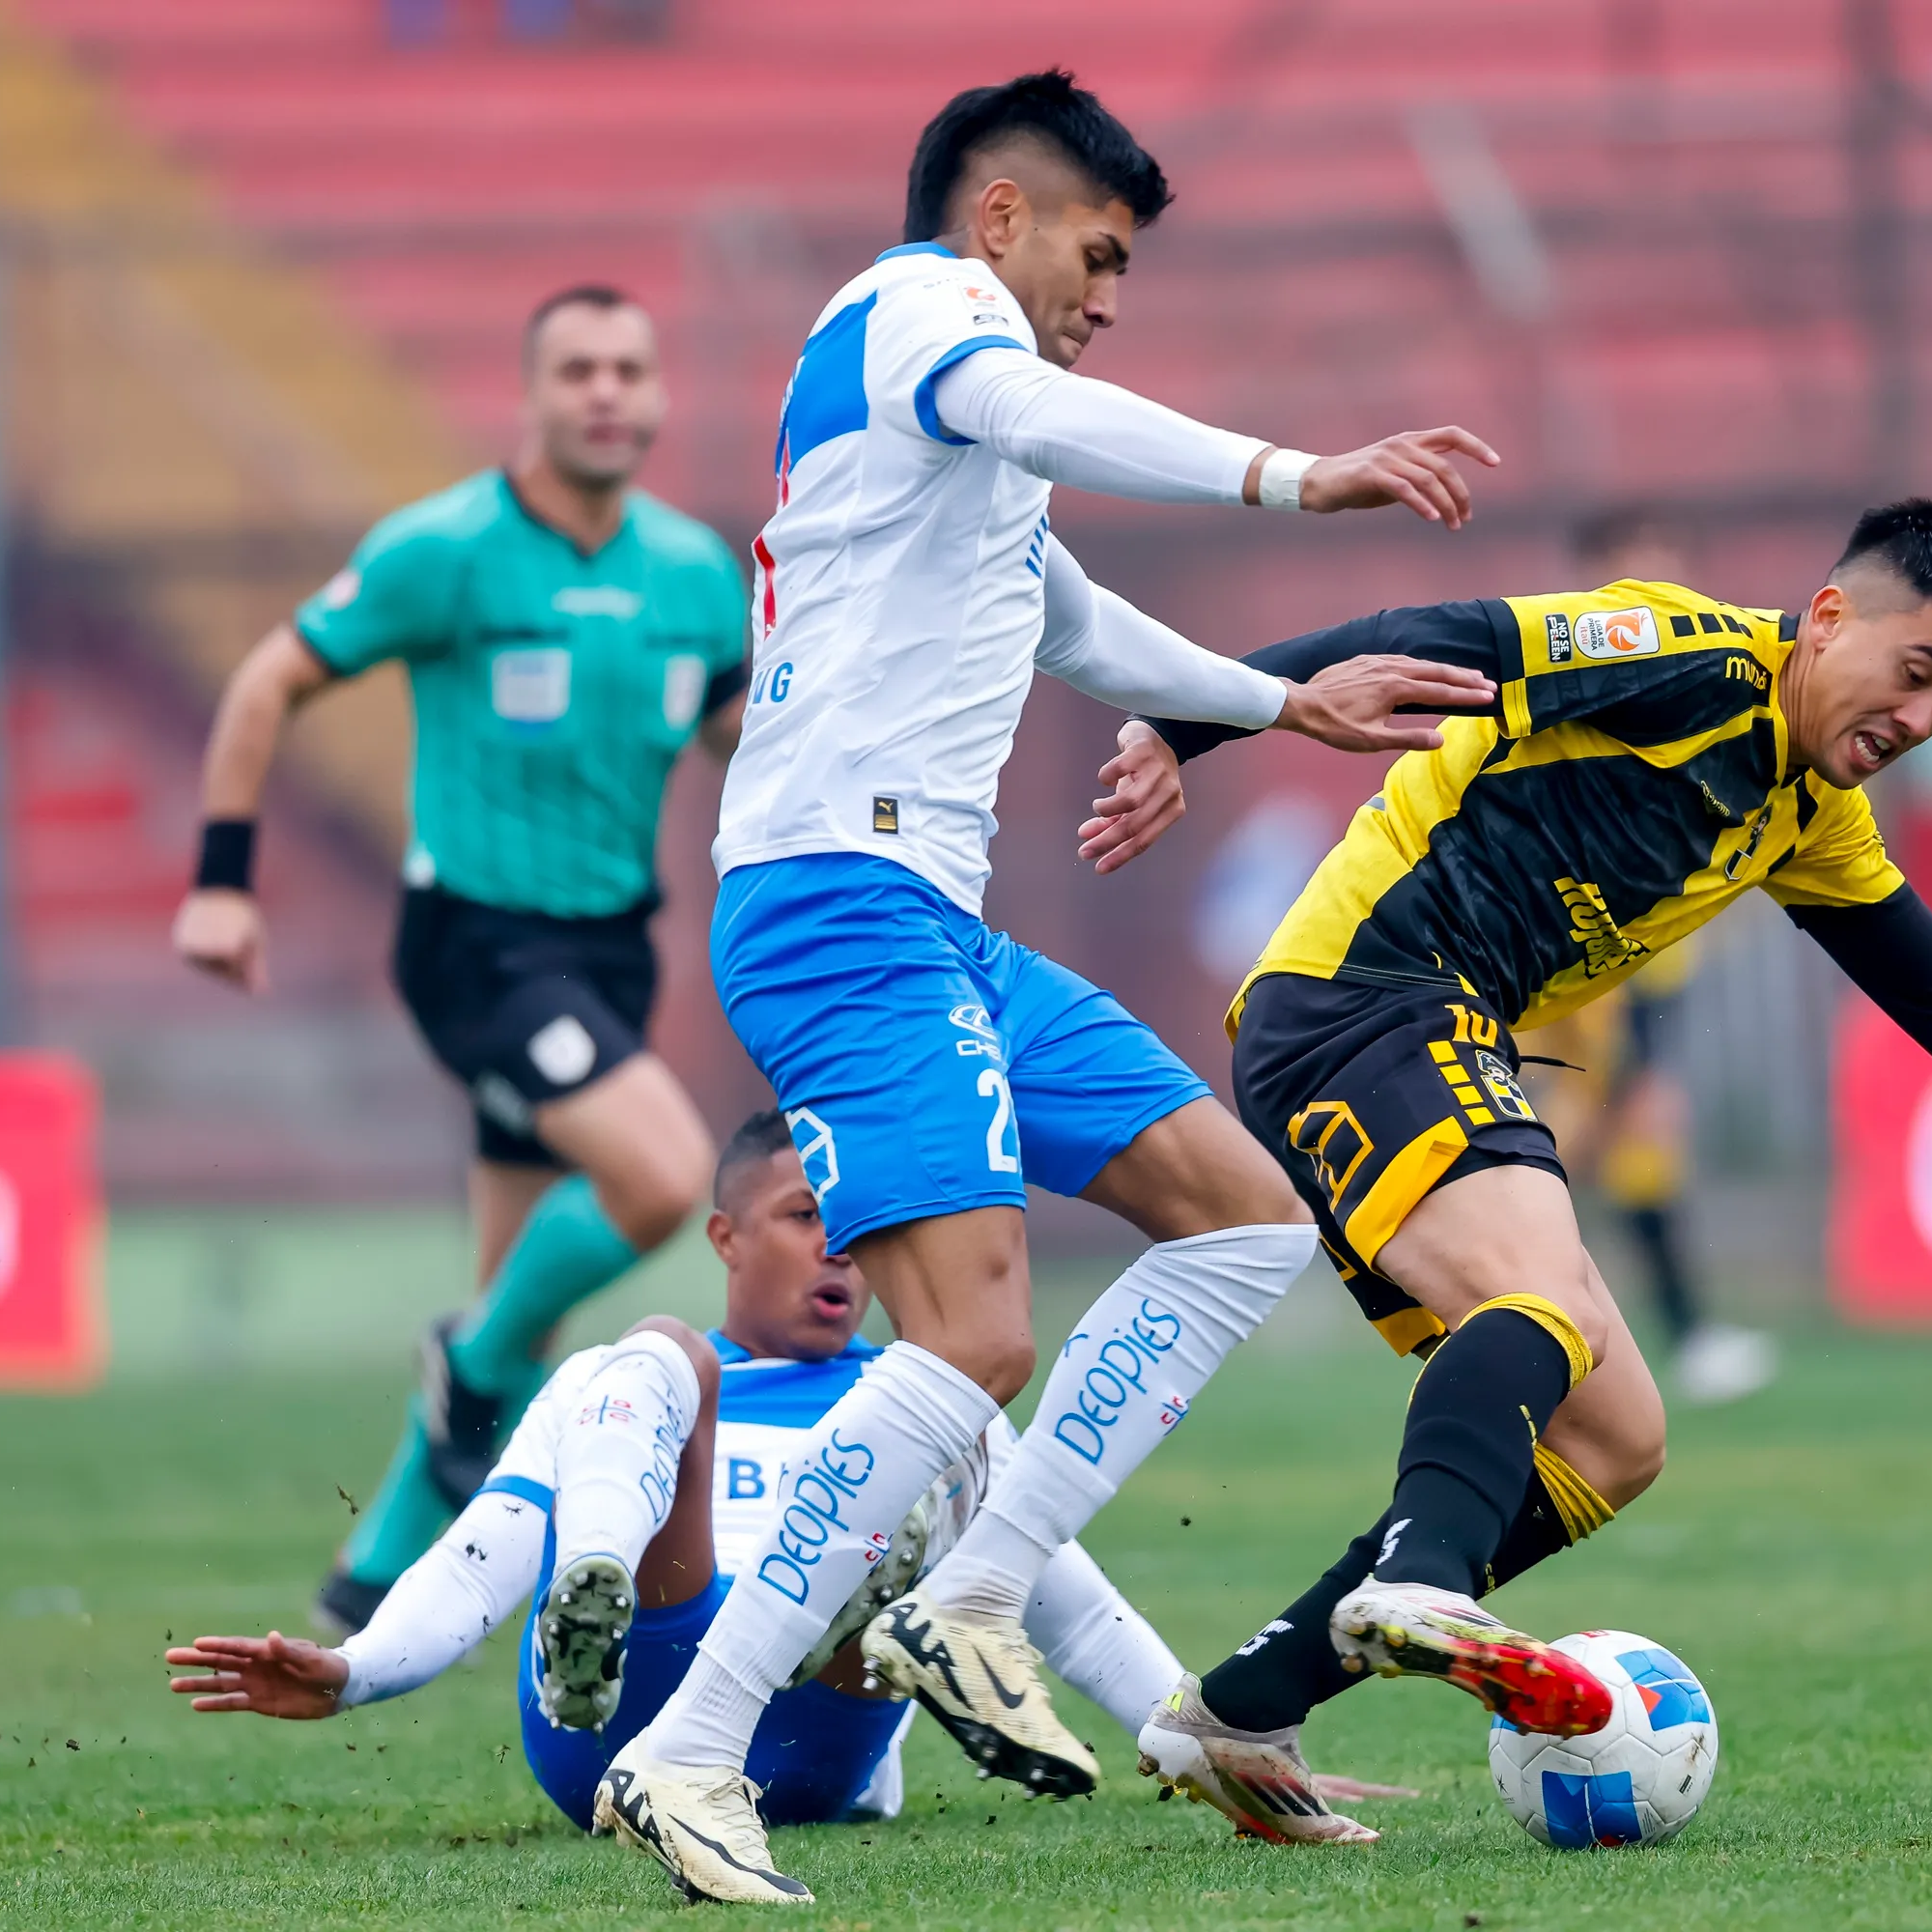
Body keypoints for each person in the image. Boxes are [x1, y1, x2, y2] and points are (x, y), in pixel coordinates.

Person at [592, 71, 1502, 1903]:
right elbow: (1039, 403)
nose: (1107, 290)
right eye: (1098, 250)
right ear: (999, 217)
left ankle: (979, 1589)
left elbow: (1063, 609)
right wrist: (1298, 476)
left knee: (1244, 1216)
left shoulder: (959, 435)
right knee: (975, 1337)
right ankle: (687, 1758)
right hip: (838, 901)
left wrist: (1275, 699)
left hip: (928, 915)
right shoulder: (922, 305)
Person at [1104, 499, 1932, 1841]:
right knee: (1537, 1295)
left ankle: (1245, 1708)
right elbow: (1428, 638)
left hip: (1435, 1031)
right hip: (1359, 997)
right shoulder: (1685, 655)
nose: (1918, 722)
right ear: (1831, 617)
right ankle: (1424, 1579)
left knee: (1616, 1441)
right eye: (1915, 674)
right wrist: (1180, 723)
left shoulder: (1809, 814)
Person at [165, 1112, 1227, 1839]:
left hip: (812, 1736)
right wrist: (356, 1670)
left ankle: (846, 1604)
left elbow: (1072, 1611)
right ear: (725, 1234)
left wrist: (1213, 1741)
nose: (840, 1250)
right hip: (613, 1724)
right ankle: (597, 1589)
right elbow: (482, 1557)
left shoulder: (935, 1398)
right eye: (805, 1216)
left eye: (854, 1223)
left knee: (943, 1414)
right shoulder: (606, 1385)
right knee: (666, 1351)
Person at [172, 287, 745, 1634]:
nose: (605, 391)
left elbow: (738, 741)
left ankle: (374, 1582)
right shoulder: (447, 549)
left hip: (609, 951)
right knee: (663, 1179)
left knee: (520, 1317)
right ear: (532, 398)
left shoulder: (697, 571)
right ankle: (466, 1363)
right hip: (478, 948)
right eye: (577, 370)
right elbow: (269, 681)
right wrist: (219, 886)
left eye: (628, 369)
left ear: (660, 399)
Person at [1521, 505, 1775, 1406]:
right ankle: (1507, 1309)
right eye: (1638, 569)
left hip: (1643, 961)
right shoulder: (1570, 677)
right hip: (1581, 966)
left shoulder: (1687, 682)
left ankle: (1649, 1332)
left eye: (1670, 567)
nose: (1659, 590)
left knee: (1623, 1146)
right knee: (1580, 1141)